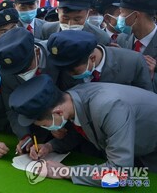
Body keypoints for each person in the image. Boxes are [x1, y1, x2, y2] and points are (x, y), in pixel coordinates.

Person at [9, 75, 157, 187]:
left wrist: (66, 172)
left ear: (58, 113)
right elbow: (85, 129)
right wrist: (50, 146)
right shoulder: (72, 99)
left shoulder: (109, 107)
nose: (43, 128)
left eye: (42, 124)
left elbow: (119, 176)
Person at [0, 28, 60, 153]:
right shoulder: (7, 73)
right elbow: (12, 109)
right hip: (36, 133)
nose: (22, 74)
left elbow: (72, 96)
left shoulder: (57, 56)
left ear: (36, 52)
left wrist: (59, 122)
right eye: (16, 72)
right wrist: (25, 137)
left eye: (25, 68)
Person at [47, 30, 153, 92]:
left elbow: (147, 101)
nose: (69, 74)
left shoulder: (133, 62)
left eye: (74, 71)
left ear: (92, 58)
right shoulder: (66, 64)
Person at [116, 0, 157, 92]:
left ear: (136, 16)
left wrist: (150, 78)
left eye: (121, 12)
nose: (119, 17)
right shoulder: (121, 39)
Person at [41, 0, 110, 45]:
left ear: (88, 13)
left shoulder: (100, 37)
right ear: (58, 11)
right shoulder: (47, 30)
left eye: (77, 19)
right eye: (65, 18)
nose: (70, 24)